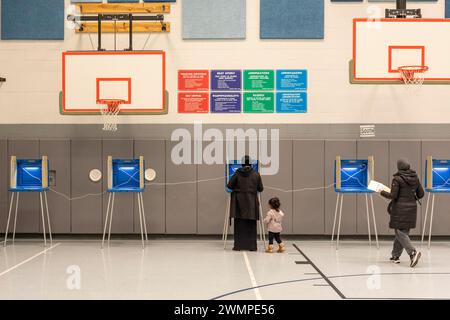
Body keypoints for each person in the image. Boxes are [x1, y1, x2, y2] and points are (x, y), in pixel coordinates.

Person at [379, 159, 424, 267]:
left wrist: (381, 191)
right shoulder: (415, 178)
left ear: (399, 167)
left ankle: (413, 253)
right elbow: (421, 194)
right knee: (402, 233)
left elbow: (393, 196)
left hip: (400, 209)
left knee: (400, 232)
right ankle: (395, 255)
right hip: (412, 209)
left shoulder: (397, 179)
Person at [227, 155, 264, 251]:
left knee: (239, 226)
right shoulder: (256, 174)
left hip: (239, 204)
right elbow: (261, 188)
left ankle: (238, 246)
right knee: (251, 226)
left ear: (242, 163)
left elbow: (229, 185)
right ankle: (252, 247)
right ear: (251, 164)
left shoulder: (237, 173)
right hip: (252, 204)